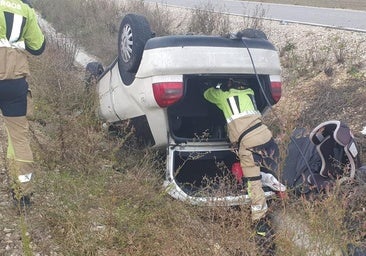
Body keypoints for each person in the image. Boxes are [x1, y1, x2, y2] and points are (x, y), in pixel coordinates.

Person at [203, 78, 283, 236]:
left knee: (252, 183)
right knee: (262, 166)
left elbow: (207, 95)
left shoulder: (223, 96)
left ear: (229, 83)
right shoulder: (250, 92)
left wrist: (213, 85)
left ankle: (260, 224)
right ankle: (273, 181)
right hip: (266, 136)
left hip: (249, 143)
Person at [0, 0, 46, 207]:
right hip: (15, 81)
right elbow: (38, 46)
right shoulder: (26, 10)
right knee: (18, 139)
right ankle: (23, 194)